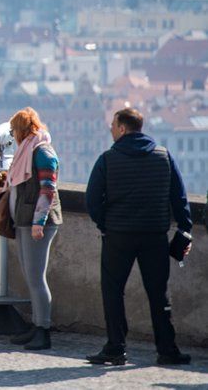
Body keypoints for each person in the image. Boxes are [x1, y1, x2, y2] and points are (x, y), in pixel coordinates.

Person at [85, 107, 193, 366]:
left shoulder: (108, 159)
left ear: (122, 128)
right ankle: (167, 350)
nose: (110, 129)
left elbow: (92, 200)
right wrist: (184, 229)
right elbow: (179, 198)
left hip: (118, 235)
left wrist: (105, 225)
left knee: (113, 292)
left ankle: (115, 348)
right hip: (154, 235)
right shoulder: (163, 156)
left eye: (113, 125)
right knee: (158, 293)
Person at [2, 107, 61, 351]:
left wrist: (38, 222)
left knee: (36, 278)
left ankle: (43, 330)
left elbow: (48, 189)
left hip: (38, 223)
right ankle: (36, 325)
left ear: (22, 129)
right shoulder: (28, 149)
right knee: (30, 275)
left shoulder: (42, 151)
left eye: (14, 129)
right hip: (24, 221)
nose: (13, 134)